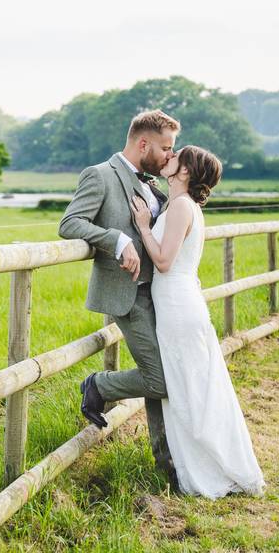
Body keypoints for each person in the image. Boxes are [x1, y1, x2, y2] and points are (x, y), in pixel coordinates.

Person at [130, 145, 265, 498]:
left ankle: (211, 470)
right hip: (180, 301)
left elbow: (162, 261)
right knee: (192, 386)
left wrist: (144, 227)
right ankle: (209, 464)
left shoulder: (179, 207)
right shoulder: (184, 206)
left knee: (187, 388)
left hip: (177, 304)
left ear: (185, 171)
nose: (168, 158)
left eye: (176, 157)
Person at [58, 109, 181, 488]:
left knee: (163, 374)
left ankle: (169, 466)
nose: (168, 156)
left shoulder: (151, 184)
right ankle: (98, 386)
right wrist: (117, 239)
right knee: (160, 379)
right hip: (129, 294)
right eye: (165, 148)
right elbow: (70, 223)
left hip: (160, 296)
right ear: (143, 143)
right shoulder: (100, 175)